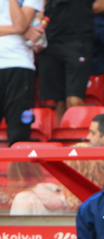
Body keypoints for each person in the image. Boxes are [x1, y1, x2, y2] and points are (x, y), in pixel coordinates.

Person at [38, 0, 95, 123]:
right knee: (59, 102)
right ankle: (64, 136)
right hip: (51, 40)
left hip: (78, 39)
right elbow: (39, 9)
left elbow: (103, 4)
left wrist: (79, 11)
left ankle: (77, 135)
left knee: (74, 99)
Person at [0, 0, 45, 146]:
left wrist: (20, 29)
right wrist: (22, 30)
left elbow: (19, 25)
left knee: (19, 134)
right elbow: (20, 29)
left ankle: (17, 170)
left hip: (19, 64)